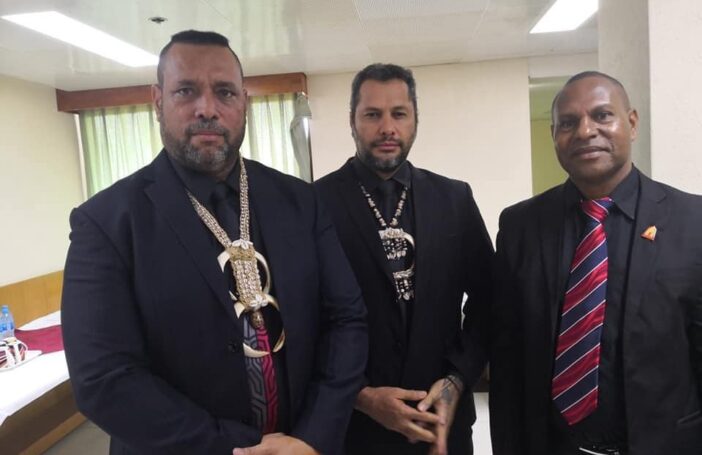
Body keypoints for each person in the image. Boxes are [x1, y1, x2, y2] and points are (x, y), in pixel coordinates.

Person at [61, 30, 368, 455]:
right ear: (157, 101)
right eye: (186, 91)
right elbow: (104, 379)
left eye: (224, 92)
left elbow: (346, 320)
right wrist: (239, 448)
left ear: (244, 102)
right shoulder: (107, 222)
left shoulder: (300, 201)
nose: (207, 108)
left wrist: (313, 437)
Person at [490, 71, 702, 455]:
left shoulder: (693, 221)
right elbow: (507, 357)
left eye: (602, 115)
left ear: (632, 123)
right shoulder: (521, 226)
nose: (585, 131)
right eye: (568, 123)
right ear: (554, 136)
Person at [315, 63, 493, 455]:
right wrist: (361, 396)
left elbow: (489, 301)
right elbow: (304, 320)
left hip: (443, 424)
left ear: (415, 119)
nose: (387, 129)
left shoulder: (454, 200)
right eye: (372, 115)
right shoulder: (314, 205)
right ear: (352, 121)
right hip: (353, 431)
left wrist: (456, 381)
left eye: (399, 113)